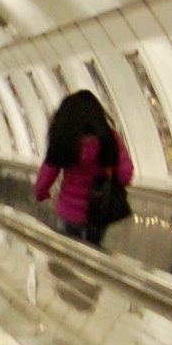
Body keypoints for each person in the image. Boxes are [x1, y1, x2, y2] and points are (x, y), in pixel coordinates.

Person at [34, 89, 133, 245]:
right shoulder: (110, 138)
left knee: (69, 253)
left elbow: (47, 174)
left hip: (69, 211)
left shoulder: (64, 139)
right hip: (99, 212)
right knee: (92, 251)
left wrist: (41, 194)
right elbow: (125, 175)